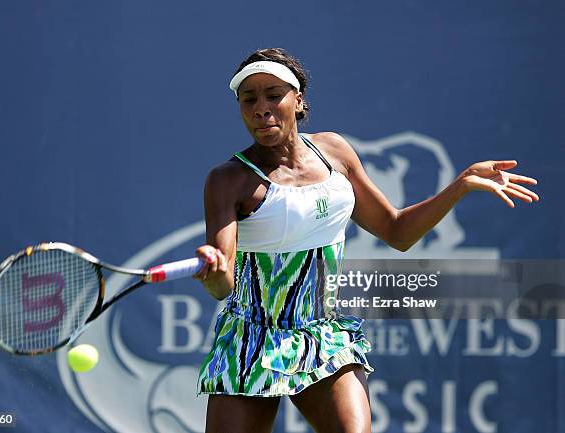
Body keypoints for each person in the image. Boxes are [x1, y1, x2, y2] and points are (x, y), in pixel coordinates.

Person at [193, 48, 539, 433]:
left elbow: (397, 231)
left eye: (274, 94)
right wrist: (214, 272)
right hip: (251, 339)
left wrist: (460, 185)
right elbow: (223, 284)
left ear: (299, 99)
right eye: (249, 99)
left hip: (320, 335)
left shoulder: (334, 152)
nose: (262, 108)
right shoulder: (227, 180)